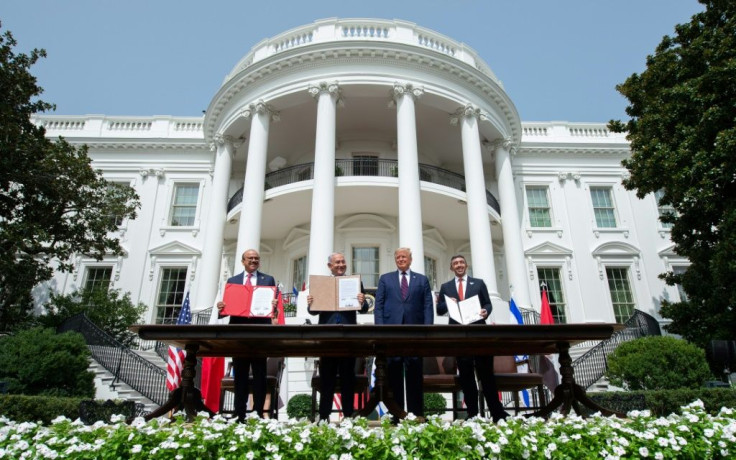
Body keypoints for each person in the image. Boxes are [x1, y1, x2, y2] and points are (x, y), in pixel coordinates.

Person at [436, 254, 509, 421]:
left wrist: (486, 311)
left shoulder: (478, 283)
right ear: (451, 268)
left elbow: (488, 303)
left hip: (479, 334)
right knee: (467, 377)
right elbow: (439, 310)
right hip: (459, 337)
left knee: (486, 375)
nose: (459, 265)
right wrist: (448, 303)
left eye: (461, 262)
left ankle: (497, 413)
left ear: (466, 265)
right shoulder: (446, 287)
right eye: (455, 263)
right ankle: (473, 414)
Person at [306, 252, 369, 422]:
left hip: (348, 337)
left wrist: (362, 301)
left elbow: (363, 309)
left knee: (348, 377)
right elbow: (313, 311)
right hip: (327, 338)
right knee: (327, 378)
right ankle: (324, 416)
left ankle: (348, 415)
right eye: (337, 262)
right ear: (330, 266)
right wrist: (310, 302)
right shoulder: (321, 284)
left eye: (343, 261)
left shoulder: (355, 282)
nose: (341, 264)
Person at [216, 248, 277, 421]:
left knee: (259, 374)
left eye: (256, 258)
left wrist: (273, 304)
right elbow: (228, 309)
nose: (253, 261)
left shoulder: (268, 279)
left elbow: (273, 309)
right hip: (239, 333)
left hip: (260, 333)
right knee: (240, 374)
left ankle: (258, 412)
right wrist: (222, 309)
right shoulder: (233, 281)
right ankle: (239, 413)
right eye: (250, 258)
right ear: (243, 261)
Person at [374, 247, 434, 418]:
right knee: (393, 375)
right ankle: (397, 413)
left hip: (415, 334)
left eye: (404, 257)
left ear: (410, 259)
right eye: (398, 257)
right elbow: (379, 306)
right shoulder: (385, 279)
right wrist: (380, 330)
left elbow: (427, 306)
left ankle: (417, 414)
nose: (401, 259)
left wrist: (427, 330)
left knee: (415, 373)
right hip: (391, 334)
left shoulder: (422, 280)